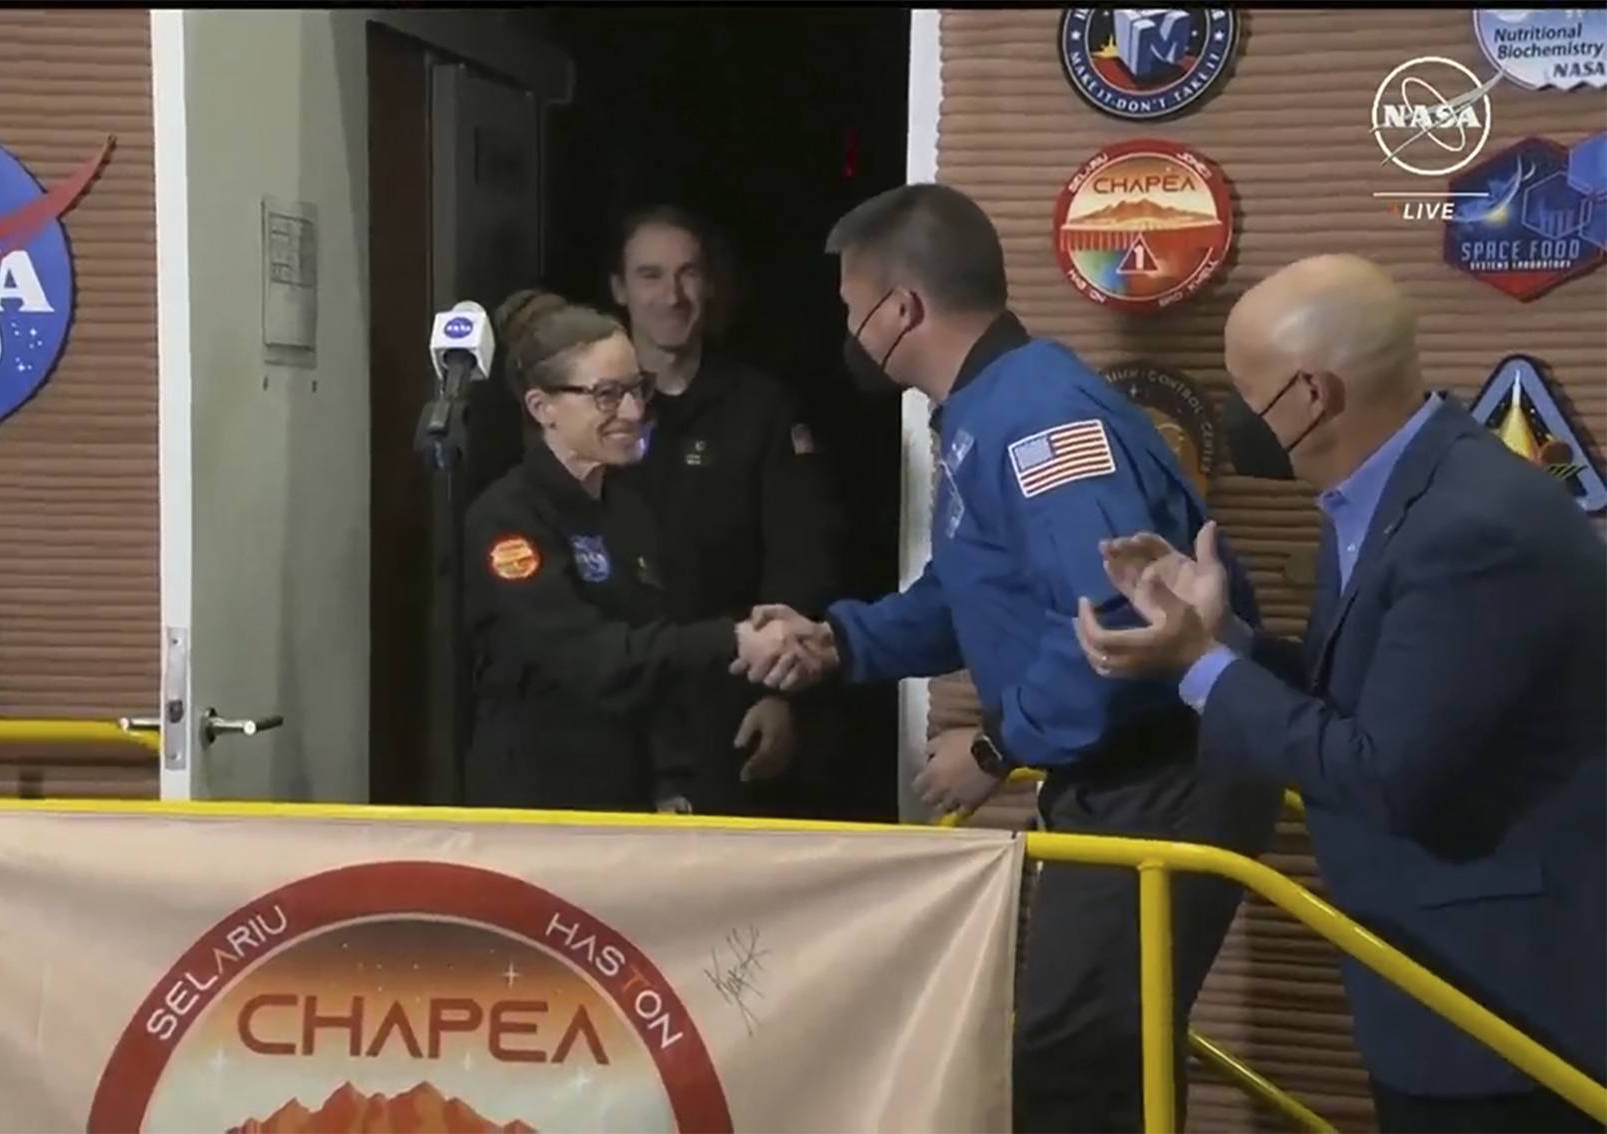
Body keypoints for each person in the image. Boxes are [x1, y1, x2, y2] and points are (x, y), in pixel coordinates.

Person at [738, 183, 1283, 1131]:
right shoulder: (988, 409)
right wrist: (840, 641)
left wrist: (995, 748)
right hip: (1126, 777)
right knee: (1101, 1052)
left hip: (1162, 775)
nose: (849, 335)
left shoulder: (1035, 418)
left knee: (1073, 1057)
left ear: (900, 309)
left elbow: (1123, 611)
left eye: (849, 309)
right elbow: (977, 592)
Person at [1073, 253, 1607, 1133]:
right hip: (1441, 987)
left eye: (1245, 393)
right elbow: (1373, 697)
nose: (1234, 418)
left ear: (1310, 395)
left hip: (1509, 1011)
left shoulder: (1468, 527)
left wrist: (1196, 669)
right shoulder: (1395, 493)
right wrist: (1217, 638)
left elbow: (1380, 771)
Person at [461, 291, 795, 813]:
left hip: (631, 801)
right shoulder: (508, 520)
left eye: (637, 389)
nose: (633, 411)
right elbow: (593, 658)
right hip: (538, 804)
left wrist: (671, 781)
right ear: (542, 407)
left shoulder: (629, 506)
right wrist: (730, 640)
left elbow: (654, 650)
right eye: (607, 395)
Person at [607, 205, 842, 816]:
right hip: (615, 706)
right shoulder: (588, 410)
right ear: (619, 289)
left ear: (709, 285)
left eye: (688, 274)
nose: (672, 295)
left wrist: (783, 697)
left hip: (728, 708)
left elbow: (800, 556)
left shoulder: (760, 408)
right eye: (650, 275)